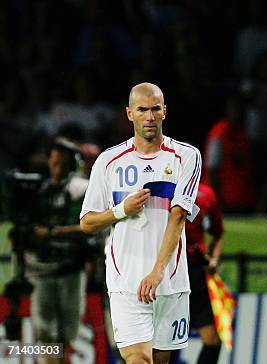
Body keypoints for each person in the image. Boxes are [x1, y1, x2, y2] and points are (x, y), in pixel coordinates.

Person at [80, 83, 201, 364]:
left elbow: (179, 216)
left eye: (155, 109)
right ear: (129, 114)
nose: (149, 116)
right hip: (126, 281)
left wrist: (157, 273)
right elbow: (87, 222)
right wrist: (122, 210)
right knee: (138, 360)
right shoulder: (108, 161)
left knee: (159, 361)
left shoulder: (187, 156)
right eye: (142, 110)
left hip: (170, 282)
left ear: (164, 112)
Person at [23, 138, 89, 364]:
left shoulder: (82, 189)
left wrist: (52, 233)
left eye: (62, 164)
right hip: (40, 270)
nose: (56, 169)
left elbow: (89, 227)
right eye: (53, 163)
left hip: (71, 269)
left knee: (67, 334)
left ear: (74, 164)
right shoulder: (40, 190)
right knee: (45, 333)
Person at [183, 179, 225, 364]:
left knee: (213, 340)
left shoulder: (206, 195)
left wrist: (213, 259)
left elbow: (218, 232)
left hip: (196, 273)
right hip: (167, 274)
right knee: (165, 342)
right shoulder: (160, 190)